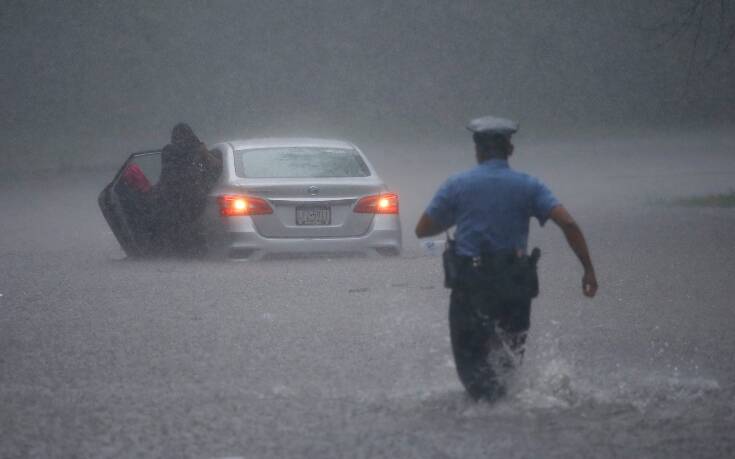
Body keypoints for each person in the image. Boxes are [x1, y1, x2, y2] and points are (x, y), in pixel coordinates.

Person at [415, 116, 597, 401]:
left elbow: (422, 229)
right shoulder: (529, 185)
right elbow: (570, 224)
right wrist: (588, 271)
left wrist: (456, 216)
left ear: (477, 151)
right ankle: (509, 413)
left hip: (470, 287)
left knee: (472, 372)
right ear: (509, 150)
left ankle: (482, 418)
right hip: (514, 285)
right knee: (509, 365)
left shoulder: (457, 185)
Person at [154, 123, 222, 256]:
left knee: (175, 227)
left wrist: (158, 190)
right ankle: (194, 252)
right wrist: (203, 151)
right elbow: (215, 165)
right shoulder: (196, 149)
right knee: (192, 227)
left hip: (172, 196)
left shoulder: (168, 150)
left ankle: (176, 252)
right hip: (192, 196)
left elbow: (165, 174)